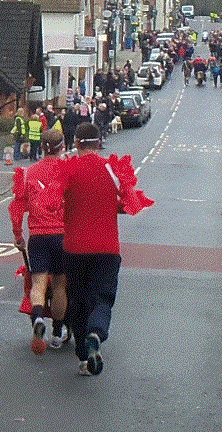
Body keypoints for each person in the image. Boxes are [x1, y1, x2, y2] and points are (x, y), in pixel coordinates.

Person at [48, 122, 153, 376]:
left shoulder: (69, 169)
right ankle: (97, 334)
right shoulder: (112, 169)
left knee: (79, 301)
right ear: (99, 143)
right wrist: (109, 206)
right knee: (103, 298)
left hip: (74, 248)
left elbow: (50, 204)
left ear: (75, 143)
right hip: (107, 248)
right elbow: (131, 204)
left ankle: (84, 357)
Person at [9, 129, 69, 354]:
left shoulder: (29, 172)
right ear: (62, 145)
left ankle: (37, 317)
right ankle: (57, 333)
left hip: (38, 236)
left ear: (42, 147)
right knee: (61, 284)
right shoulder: (68, 171)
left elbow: (17, 207)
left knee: (38, 284)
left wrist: (18, 235)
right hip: (63, 234)